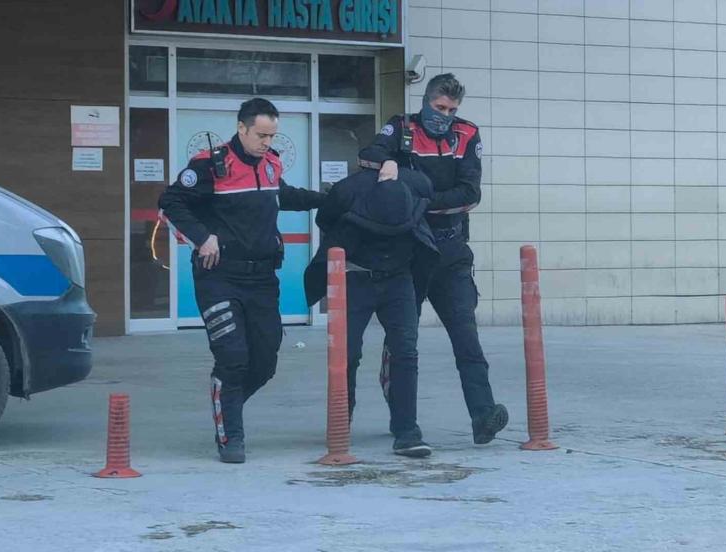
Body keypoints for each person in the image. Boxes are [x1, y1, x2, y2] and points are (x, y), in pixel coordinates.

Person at [158, 98, 325, 464]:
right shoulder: (210, 164)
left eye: (272, 135)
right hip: (219, 276)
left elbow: (283, 195)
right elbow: (171, 202)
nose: (267, 142)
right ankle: (231, 435)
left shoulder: (271, 163)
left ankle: (227, 402)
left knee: (265, 361)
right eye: (261, 135)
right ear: (241, 128)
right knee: (232, 357)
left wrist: (327, 199)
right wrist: (202, 237)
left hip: (262, 278)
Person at [358, 73, 509, 445]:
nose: (445, 115)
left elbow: (469, 194)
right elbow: (369, 155)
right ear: (425, 101)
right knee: (403, 340)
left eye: (452, 109)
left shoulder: (467, 134)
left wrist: (416, 199)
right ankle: (400, 414)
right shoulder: (402, 128)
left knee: (466, 335)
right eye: (440, 107)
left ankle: (483, 415)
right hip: (409, 253)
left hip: (451, 251)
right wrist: (388, 164)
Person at [304, 167, 440, 457]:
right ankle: (341, 420)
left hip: (399, 279)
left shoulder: (417, 200)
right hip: (355, 277)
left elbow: (426, 254)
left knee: (406, 351)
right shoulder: (349, 212)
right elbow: (324, 221)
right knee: (346, 353)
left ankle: (407, 430)